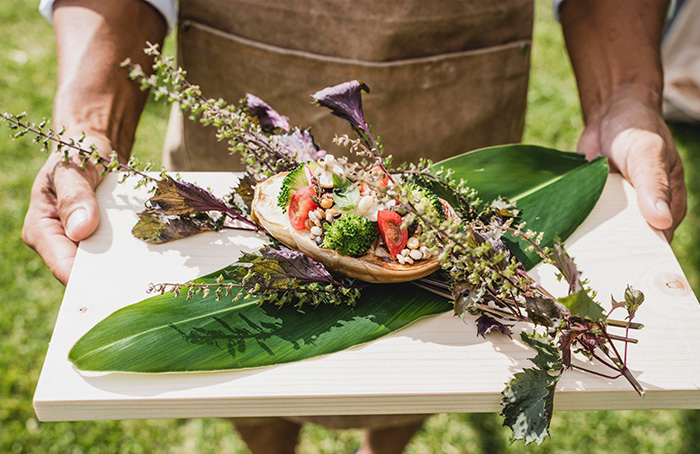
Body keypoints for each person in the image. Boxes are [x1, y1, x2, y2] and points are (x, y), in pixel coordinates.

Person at [24, 1, 686, 453]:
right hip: (243, 75)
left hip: (459, 76)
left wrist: (625, 96)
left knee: (433, 338)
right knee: (251, 356)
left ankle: (386, 444)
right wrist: (91, 119)